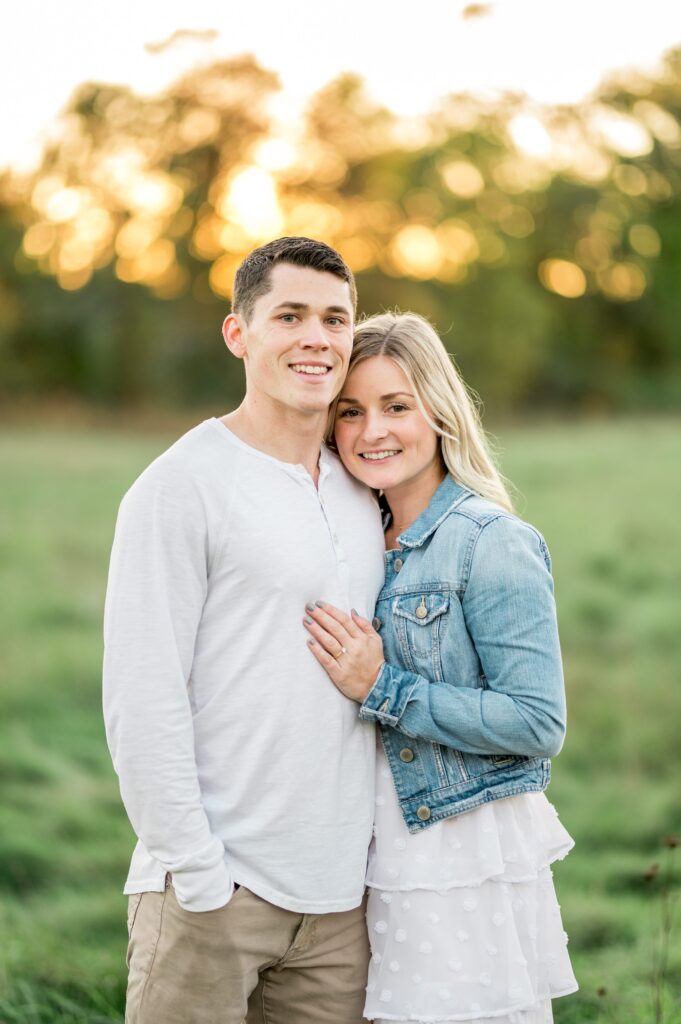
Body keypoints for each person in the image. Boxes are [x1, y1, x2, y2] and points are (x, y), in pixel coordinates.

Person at [102, 237, 386, 1024]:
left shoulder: (363, 484)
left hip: (340, 907)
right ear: (239, 333)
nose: (315, 338)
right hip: (214, 893)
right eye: (289, 315)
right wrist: (197, 873)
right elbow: (141, 695)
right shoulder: (181, 486)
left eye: (334, 319)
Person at [303, 311, 578, 1024]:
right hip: (365, 845)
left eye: (397, 406)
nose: (373, 432)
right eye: (350, 412)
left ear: (440, 411)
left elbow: (536, 721)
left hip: (457, 847)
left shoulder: (490, 541)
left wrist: (382, 687)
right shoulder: (351, 532)